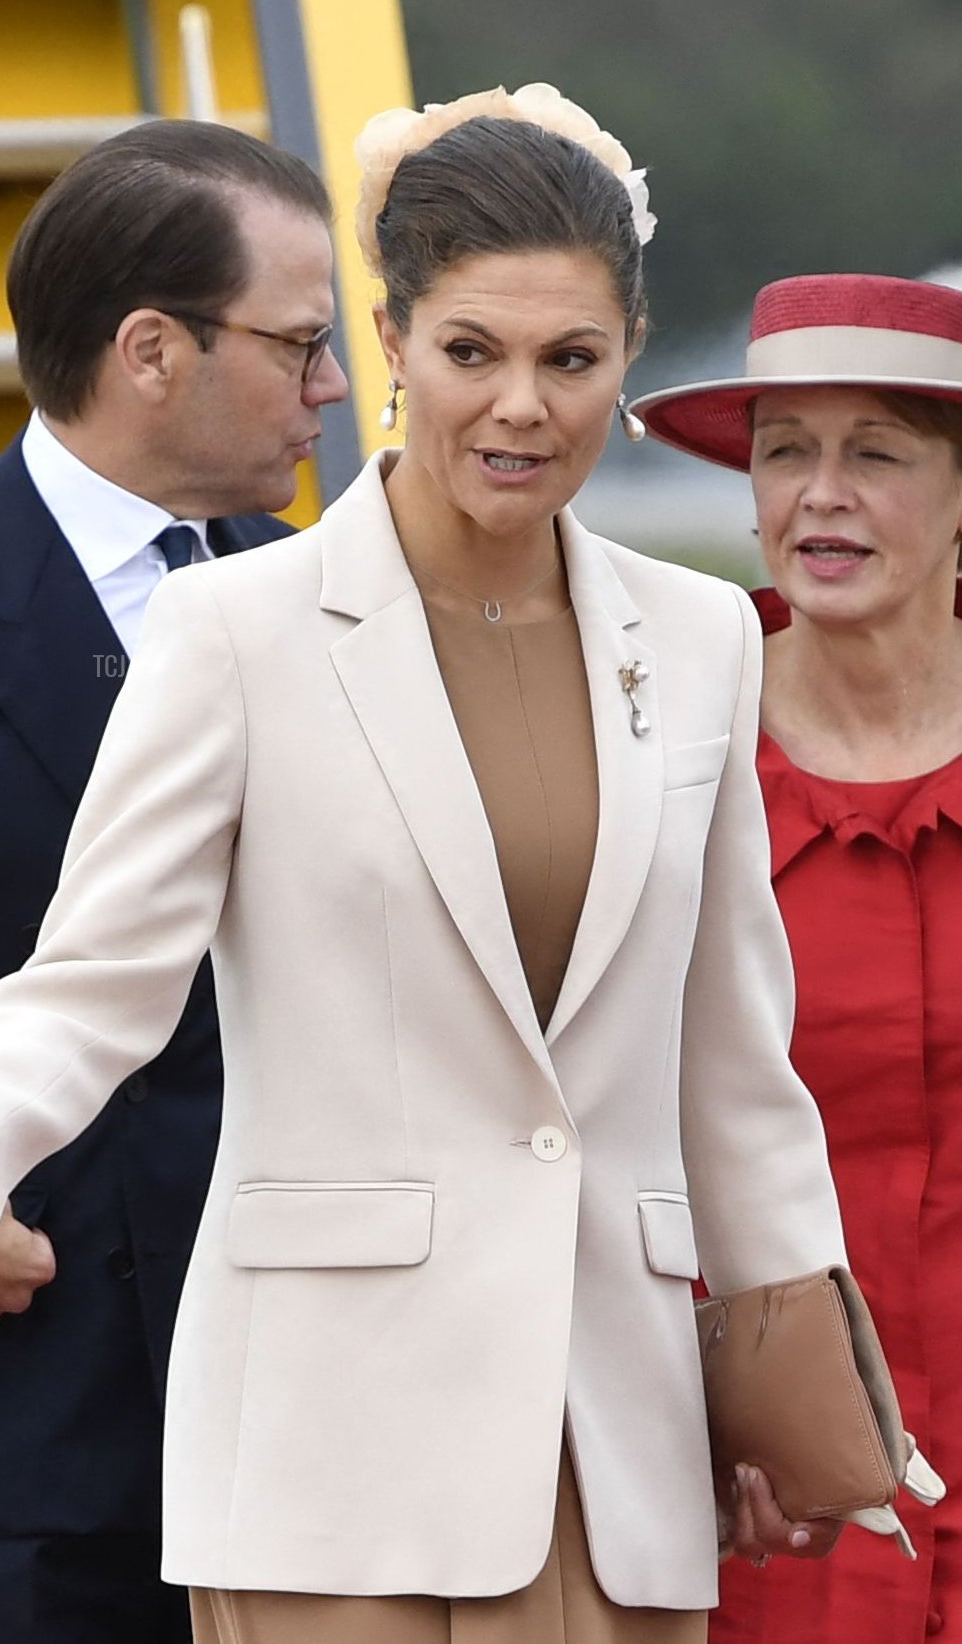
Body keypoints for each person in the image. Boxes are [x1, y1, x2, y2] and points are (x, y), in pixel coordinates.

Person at [0, 86, 851, 1644]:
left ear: (630, 357)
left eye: (572, 360)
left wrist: (787, 1367)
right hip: (328, 1448)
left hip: (612, 1439)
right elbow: (98, 977)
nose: (522, 408)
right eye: (471, 354)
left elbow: (732, 1054)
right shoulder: (234, 627)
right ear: (389, 341)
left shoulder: (701, 637)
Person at [0, 118, 346, 1644]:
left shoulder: (338, 602)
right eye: (299, 343)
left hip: (322, 1423)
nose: (335, 390)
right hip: (13, 1438)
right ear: (152, 349)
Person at [631, 271, 962, 1643]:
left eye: (875, 454)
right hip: (771, 1505)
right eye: (785, 452)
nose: (820, 493)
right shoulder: (655, 764)